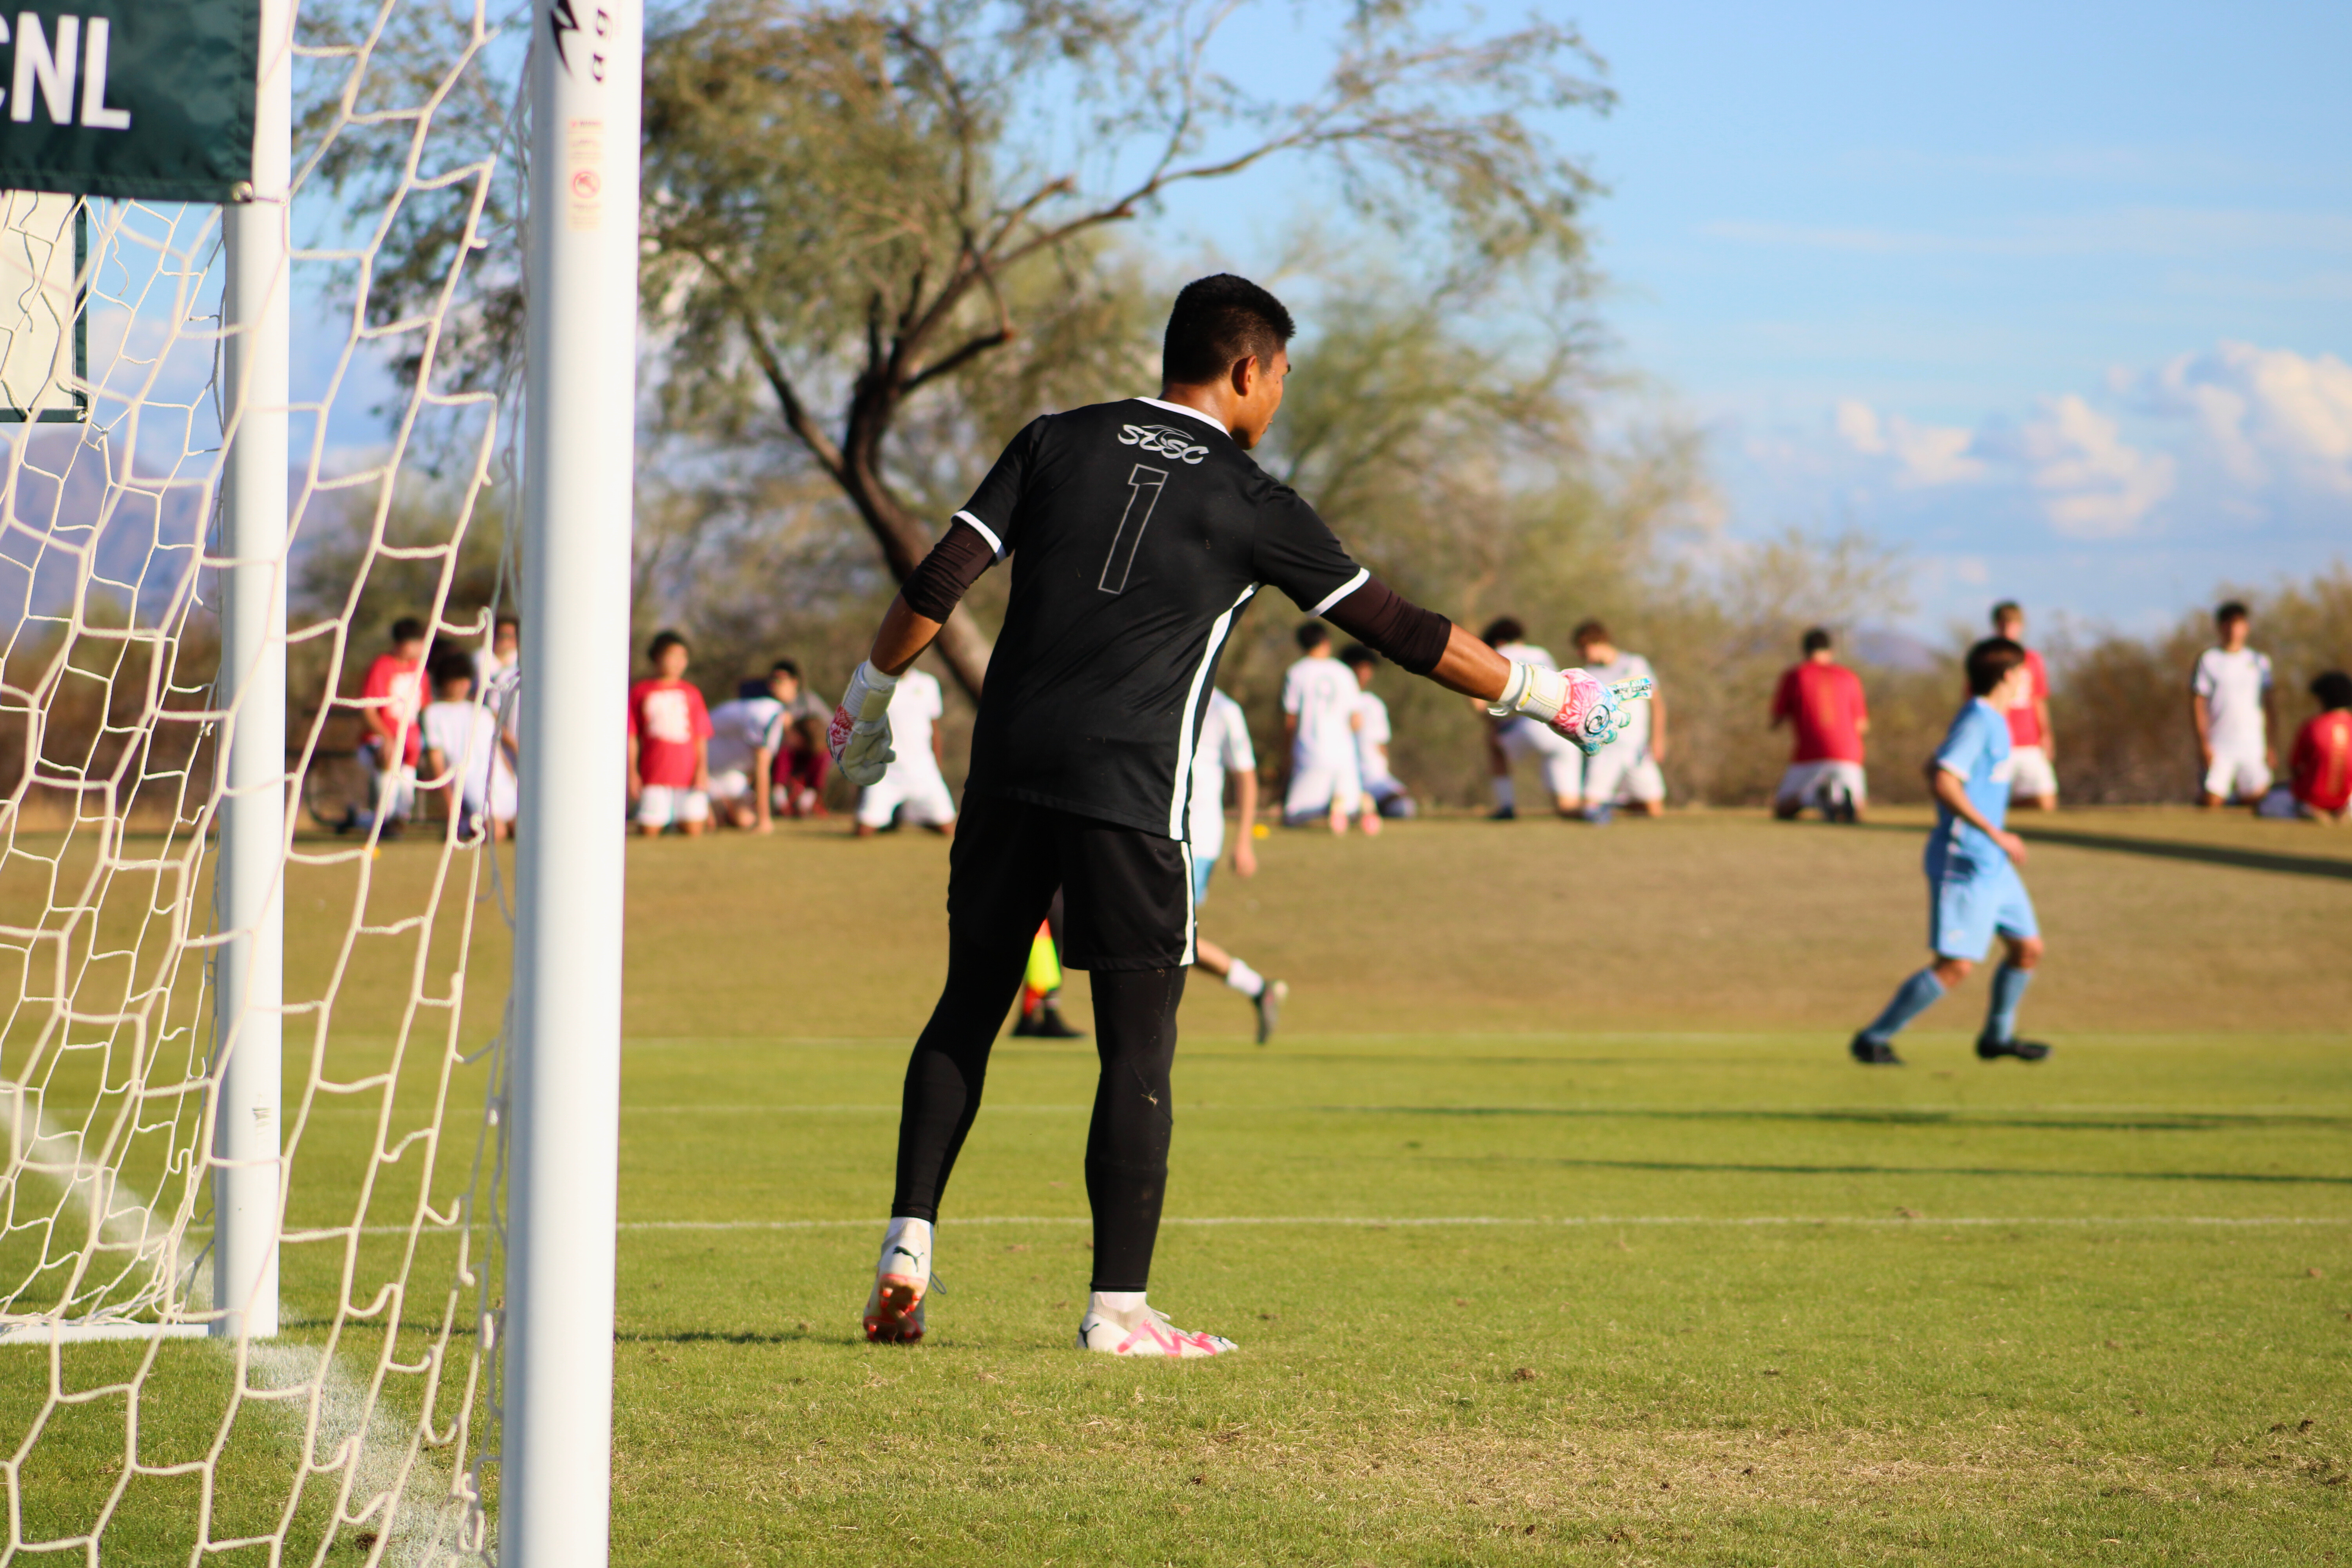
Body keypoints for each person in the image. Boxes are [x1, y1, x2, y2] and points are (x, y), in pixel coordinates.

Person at [826, 272, 1646, 1358]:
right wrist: (1553, 698)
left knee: (966, 1008)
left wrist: (865, 702)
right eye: (1283, 376)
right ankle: (1119, 1311)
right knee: (1138, 1052)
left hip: (1009, 774)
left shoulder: (1054, 439)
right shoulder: (1254, 499)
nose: (1281, 395)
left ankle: (907, 1247)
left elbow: (940, 580)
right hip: (1128, 790)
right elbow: (1397, 629)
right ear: (1249, 369)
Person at [1849, 637, 2051, 1067]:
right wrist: (1996, 833)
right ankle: (1874, 1037)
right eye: (2026, 672)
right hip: (1966, 860)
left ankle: (1997, 1037)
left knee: (2028, 948)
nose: (2031, 680)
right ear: (2009, 676)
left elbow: (1938, 765)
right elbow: (1943, 780)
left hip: (1992, 864)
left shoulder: (1995, 721)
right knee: (1956, 965)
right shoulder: (1979, 718)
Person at [1189, 688, 1288, 1040]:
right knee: (1171, 937)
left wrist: (1243, 841)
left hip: (1197, 838)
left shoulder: (1223, 709)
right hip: (1151, 834)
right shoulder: (1155, 686)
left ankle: (1258, 988)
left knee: (1170, 934)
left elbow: (1246, 776)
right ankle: (1259, 988)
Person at [1478, 617, 1583, 819]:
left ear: (1498, 642)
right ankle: (1587, 810)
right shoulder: (1541, 653)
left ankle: (1506, 807)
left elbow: (1475, 695)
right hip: (1561, 728)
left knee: (1495, 746)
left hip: (1527, 725)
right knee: (1568, 808)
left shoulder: (1498, 654)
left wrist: (1491, 722)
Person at [1280, 621, 1374, 834]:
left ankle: (1329, 815)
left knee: (1295, 816)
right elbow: (1357, 721)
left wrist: (1286, 755)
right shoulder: (1344, 672)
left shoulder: (1296, 673)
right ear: (1326, 642)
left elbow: (1290, 721)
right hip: (1343, 754)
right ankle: (1356, 811)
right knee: (1348, 807)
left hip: (1310, 752)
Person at [1770, 628, 1870, 822]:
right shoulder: (1849, 677)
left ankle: (1813, 797)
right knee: (1856, 812)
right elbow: (1862, 726)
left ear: (1804, 651)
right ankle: (1835, 801)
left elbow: (1777, 720)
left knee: (1783, 809)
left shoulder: (1794, 676)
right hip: (1848, 753)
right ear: (1831, 651)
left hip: (1809, 753)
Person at [1570, 620, 1665, 821]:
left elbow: (1656, 704)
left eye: (1582, 648)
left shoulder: (1634, 665)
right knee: (1590, 808)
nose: (1580, 654)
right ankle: (1604, 804)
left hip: (1637, 748)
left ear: (1594, 643)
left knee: (1654, 810)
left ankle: (1616, 803)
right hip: (1607, 748)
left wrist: (1658, 740)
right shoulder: (1590, 676)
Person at [419, 654, 516, 842]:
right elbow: (436, 760)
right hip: (472, 785)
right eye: (456, 680)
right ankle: (463, 824)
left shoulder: (482, 711)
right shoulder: (434, 713)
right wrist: (450, 805)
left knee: (522, 830)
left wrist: (513, 778)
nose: (462, 685)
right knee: (497, 833)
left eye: (464, 680)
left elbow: (499, 751)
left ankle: (466, 826)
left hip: (500, 780)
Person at [626, 630, 712, 837]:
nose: (678, 663)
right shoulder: (640, 691)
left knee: (693, 829)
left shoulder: (692, 693)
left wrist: (702, 771)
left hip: (686, 775)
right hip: (654, 774)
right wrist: (632, 773)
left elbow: (700, 736)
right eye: (672, 657)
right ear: (657, 658)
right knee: (649, 830)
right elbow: (632, 737)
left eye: (683, 657)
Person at [852, 664, 955, 837]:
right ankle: (893, 816)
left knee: (948, 831)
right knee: (863, 832)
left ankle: (908, 815)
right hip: (886, 772)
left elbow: (934, 730)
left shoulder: (928, 684)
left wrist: (937, 767)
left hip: (923, 771)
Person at [2192, 601, 2276, 808]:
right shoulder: (2209, 660)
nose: (2233, 630)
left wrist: (2271, 744)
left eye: (2238, 624)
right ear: (2220, 628)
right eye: (2228, 625)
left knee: (2258, 799)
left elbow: (2269, 704)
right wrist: (2203, 743)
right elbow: (2198, 703)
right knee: (2213, 801)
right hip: (2220, 742)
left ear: (2246, 627)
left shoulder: (2259, 661)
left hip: (2252, 743)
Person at [352, 616, 430, 837]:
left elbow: (425, 708)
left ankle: (373, 820)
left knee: (404, 797)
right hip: (379, 741)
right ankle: (384, 821)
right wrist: (387, 737)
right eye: (416, 642)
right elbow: (368, 710)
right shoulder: (382, 667)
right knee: (390, 761)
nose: (420, 647)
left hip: (410, 743)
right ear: (402, 643)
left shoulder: (419, 670)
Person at [2259, 671, 2352, 824]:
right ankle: (2340, 812)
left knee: (2266, 803)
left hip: (2312, 799)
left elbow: (2295, 767)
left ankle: (2313, 811)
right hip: (2344, 801)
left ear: (2323, 699)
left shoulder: (2313, 726)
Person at [1989, 602, 2056, 810]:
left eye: (2013, 623)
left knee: (2044, 802)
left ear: (2021, 626)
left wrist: (2046, 734)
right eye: (2003, 623)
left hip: (2029, 743)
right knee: (1998, 805)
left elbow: (2039, 699)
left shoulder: (2033, 660)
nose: (2008, 628)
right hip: (1999, 743)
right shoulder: (1987, 659)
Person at [707, 671, 788, 833]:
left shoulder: (746, 709)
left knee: (744, 820)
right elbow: (762, 767)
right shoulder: (768, 712)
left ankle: (720, 808)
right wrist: (764, 820)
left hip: (728, 771)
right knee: (702, 824)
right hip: (704, 771)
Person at [1340, 644, 1414, 818]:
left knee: (1404, 808)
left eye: (1369, 668)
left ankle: (1370, 807)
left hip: (1374, 777)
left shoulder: (1374, 704)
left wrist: (1384, 773)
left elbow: (1381, 745)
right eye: (1361, 667)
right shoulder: (1336, 700)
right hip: (1345, 775)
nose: (1365, 673)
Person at [765, 661, 832, 818]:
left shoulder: (808, 701)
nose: (775, 685)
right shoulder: (767, 706)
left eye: (780, 680)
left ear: (794, 682)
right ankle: (779, 799)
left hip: (809, 753)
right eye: (772, 680)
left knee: (822, 753)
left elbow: (830, 728)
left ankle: (807, 799)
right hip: (779, 756)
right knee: (784, 752)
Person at [472, 611, 519, 701]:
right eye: (503, 636)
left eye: (511, 636)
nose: (507, 641)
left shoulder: (521, 658)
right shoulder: (481, 657)